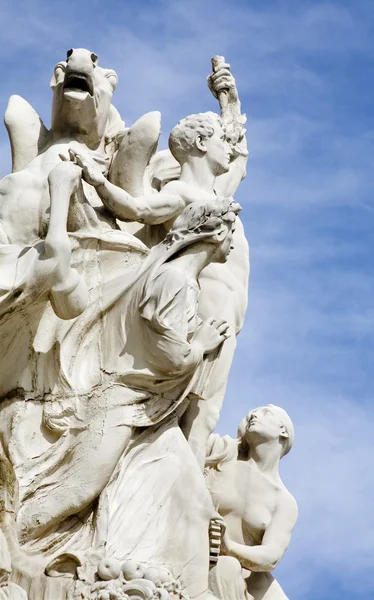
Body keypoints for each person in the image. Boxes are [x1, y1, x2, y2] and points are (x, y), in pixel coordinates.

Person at [11, 198, 240, 554]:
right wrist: (200, 345)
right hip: (119, 401)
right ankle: (14, 541)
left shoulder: (174, 276)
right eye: (233, 231)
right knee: (79, 489)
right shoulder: (177, 279)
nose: (235, 242)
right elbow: (169, 351)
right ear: (218, 231)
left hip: (133, 404)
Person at [66, 100, 249, 468]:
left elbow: (239, 152)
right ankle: (184, 485)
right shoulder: (182, 193)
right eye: (219, 140)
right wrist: (97, 180)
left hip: (228, 311)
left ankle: (186, 485)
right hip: (200, 301)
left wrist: (228, 99)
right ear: (200, 143)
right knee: (195, 406)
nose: (227, 148)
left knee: (207, 408)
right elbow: (136, 210)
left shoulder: (218, 195)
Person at [205, 405, 298, 600]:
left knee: (227, 568)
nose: (254, 415)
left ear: (283, 430)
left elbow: (270, 556)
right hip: (194, 552)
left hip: (241, 580)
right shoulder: (222, 454)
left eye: (266, 413)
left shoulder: (283, 501)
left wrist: (228, 547)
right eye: (250, 414)